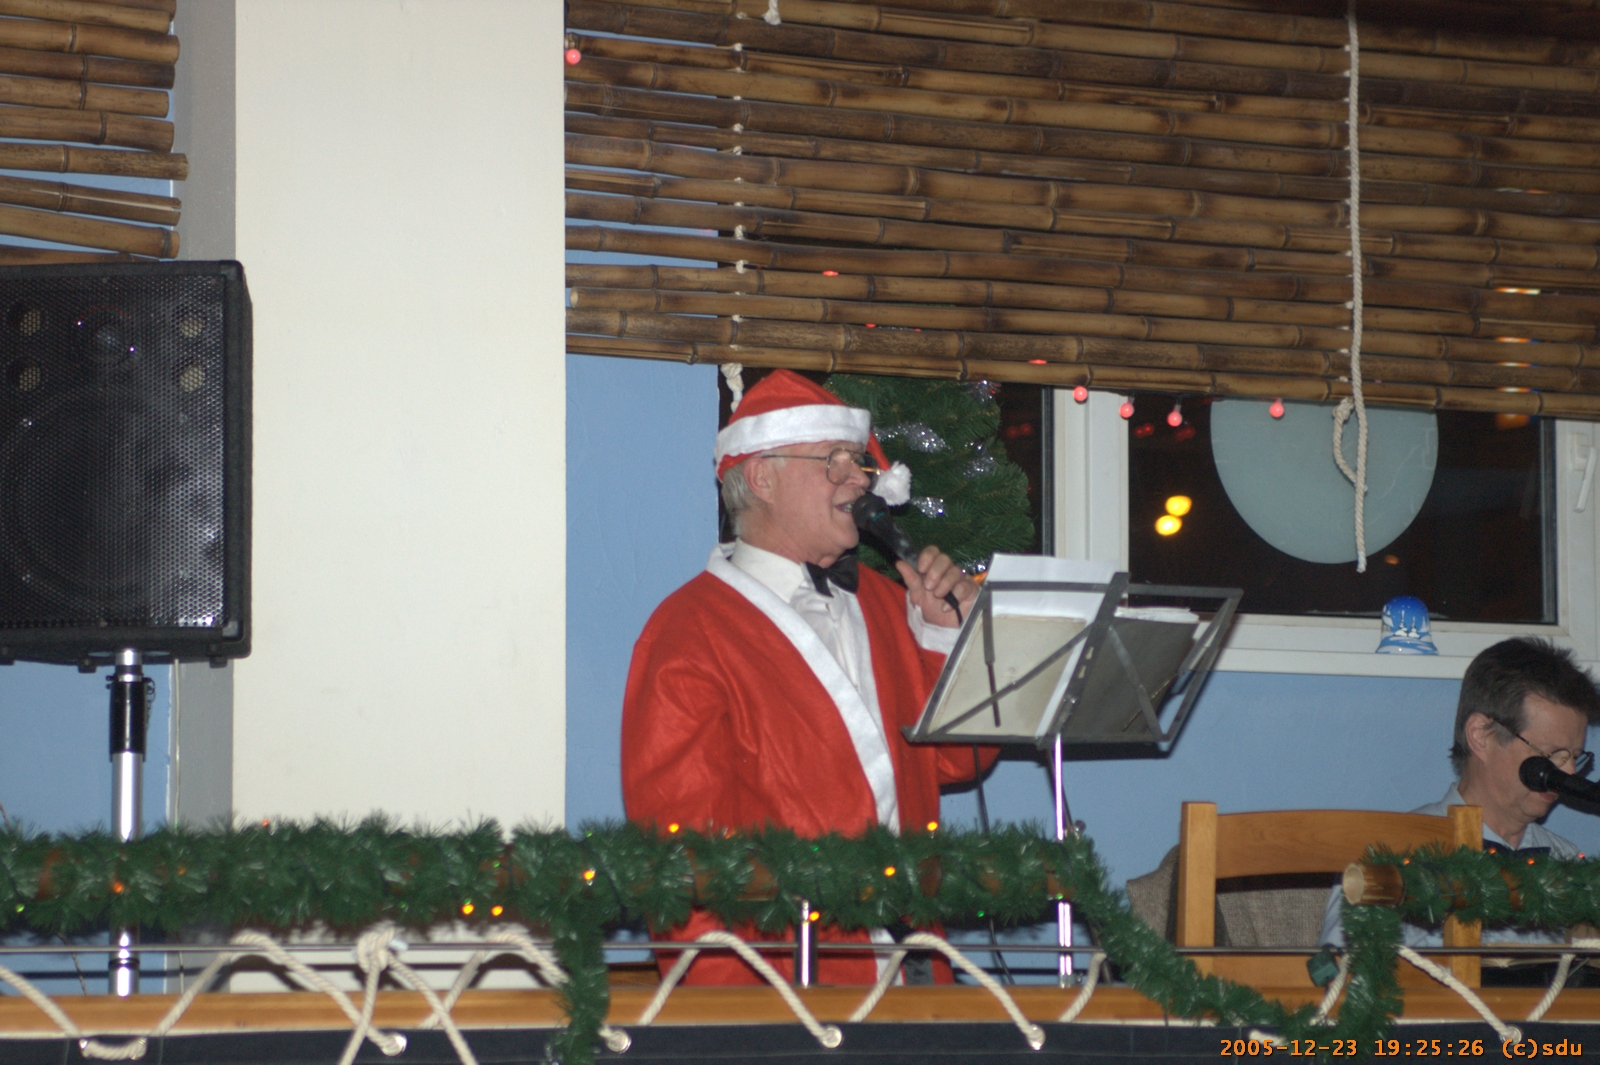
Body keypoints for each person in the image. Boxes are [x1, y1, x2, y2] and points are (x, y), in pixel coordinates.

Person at [622, 369, 998, 985]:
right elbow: (684, 864)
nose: (860, 479)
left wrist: (943, 639)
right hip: (792, 988)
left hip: (919, 974)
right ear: (762, 478)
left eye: (859, 462)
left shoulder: (889, 603)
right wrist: (742, 1016)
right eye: (833, 460)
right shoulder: (688, 633)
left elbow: (961, 761)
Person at [1320, 637, 1600, 961]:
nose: (1568, 772)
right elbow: (1342, 977)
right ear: (1481, 735)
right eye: (1552, 754)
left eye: (1574, 757)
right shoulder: (1391, 857)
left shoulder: (1568, 862)